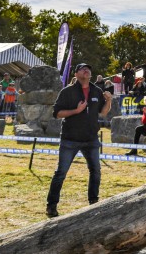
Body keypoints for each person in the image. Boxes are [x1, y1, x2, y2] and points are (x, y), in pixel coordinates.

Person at [46, 63, 113, 217]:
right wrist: (76, 111)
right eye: (82, 68)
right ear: (76, 74)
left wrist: (108, 101)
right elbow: (56, 114)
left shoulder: (97, 90)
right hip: (70, 139)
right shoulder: (67, 91)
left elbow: (102, 113)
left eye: (88, 68)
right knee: (61, 173)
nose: (86, 70)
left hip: (91, 138)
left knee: (96, 171)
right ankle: (51, 206)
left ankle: (93, 202)